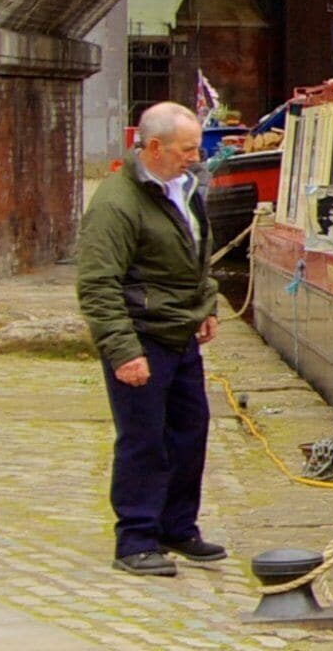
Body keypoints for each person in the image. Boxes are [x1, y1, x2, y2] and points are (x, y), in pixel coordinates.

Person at [74, 102, 225, 575]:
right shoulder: (116, 204)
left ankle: (178, 528)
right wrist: (123, 352)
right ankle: (136, 538)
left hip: (180, 334)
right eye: (186, 149)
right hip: (142, 335)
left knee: (190, 431)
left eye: (196, 149)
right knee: (143, 440)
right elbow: (98, 285)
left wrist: (207, 305)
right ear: (153, 147)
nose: (195, 158)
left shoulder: (186, 188)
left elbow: (197, 254)